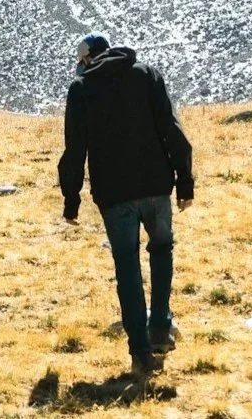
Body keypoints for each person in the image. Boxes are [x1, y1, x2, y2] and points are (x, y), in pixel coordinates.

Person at [57, 34, 194, 377]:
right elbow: (171, 127)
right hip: (156, 185)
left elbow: (75, 149)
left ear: (89, 58)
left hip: (115, 194)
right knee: (162, 250)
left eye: (80, 58)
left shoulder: (82, 89)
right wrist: (185, 180)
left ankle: (140, 351)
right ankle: (160, 327)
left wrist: (71, 199)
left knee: (128, 269)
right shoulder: (146, 74)